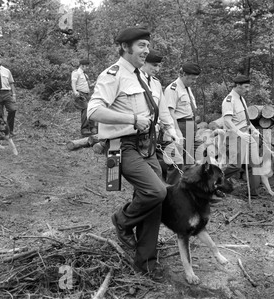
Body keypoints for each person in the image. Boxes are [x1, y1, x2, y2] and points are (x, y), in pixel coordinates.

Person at [86, 27, 180, 281]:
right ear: (126, 47)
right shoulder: (112, 75)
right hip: (122, 146)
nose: (146, 50)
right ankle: (122, 219)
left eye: (147, 46)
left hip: (147, 145)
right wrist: (131, 118)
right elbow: (93, 111)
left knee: (156, 200)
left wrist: (166, 130)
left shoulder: (143, 77)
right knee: (156, 191)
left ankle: (146, 262)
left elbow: (153, 111)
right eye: (141, 45)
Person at [221, 74, 261, 197]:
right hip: (235, 136)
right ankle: (214, 181)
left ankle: (253, 193)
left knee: (254, 163)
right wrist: (240, 134)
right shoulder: (229, 100)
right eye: (246, 87)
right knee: (235, 166)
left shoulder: (241, 98)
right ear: (238, 86)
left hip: (247, 134)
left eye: (248, 87)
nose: (248, 89)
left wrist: (254, 129)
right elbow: (227, 121)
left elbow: (246, 120)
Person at [163, 62, 201, 184]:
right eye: (192, 78)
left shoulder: (187, 88)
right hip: (180, 126)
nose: (194, 81)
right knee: (176, 162)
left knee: (188, 162)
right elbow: (170, 112)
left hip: (190, 125)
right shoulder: (172, 89)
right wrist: (177, 131)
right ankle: (172, 190)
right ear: (184, 74)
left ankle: (185, 190)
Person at [140, 49, 172, 181]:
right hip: (138, 135)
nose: (157, 69)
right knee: (151, 177)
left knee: (154, 175)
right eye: (154, 65)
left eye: (159, 65)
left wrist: (170, 129)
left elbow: (163, 110)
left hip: (154, 134)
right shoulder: (133, 79)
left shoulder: (156, 83)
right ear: (143, 62)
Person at [0, 52, 18, 136]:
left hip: (7, 93)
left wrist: (14, 95)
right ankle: (0, 133)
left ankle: (10, 130)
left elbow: (11, 83)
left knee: (12, 110)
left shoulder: (6, 71)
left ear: (1, 60)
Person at [71, 59, 97, 136]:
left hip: (86, 94)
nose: (87, 68)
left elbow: (89, 85)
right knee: (85, 109)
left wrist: (95, 83)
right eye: (86, 66)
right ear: (82, 66)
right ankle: (84, 129)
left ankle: (92, 128)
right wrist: (75, 91)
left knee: (91, 109)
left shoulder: (85, 75)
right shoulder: (76, 73)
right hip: (80, 93)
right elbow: (73, 83)